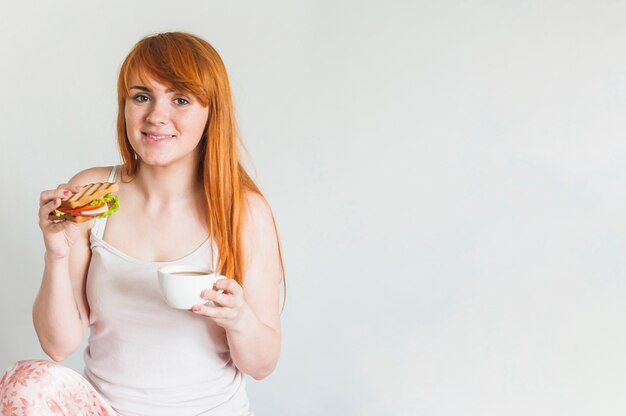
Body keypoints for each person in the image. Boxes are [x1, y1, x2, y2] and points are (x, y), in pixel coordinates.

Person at [0, 32, 284, 415]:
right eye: (141, 96)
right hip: (108, 409)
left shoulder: (242, 211)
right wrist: (55, 253)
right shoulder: (93, 193)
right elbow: (57, 346)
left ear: (212, 113)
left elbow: (262, 365)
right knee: (26, 383)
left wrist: (239, 319)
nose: (155, 116)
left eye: (180, 99)